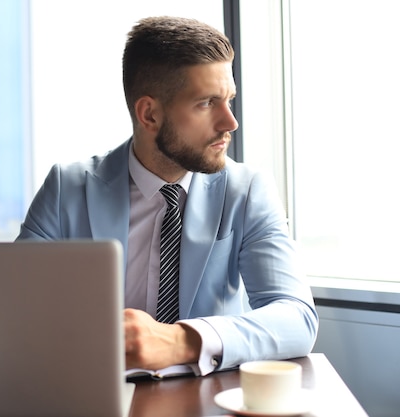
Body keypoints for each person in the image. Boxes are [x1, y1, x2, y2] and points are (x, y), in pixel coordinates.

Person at [16, 16, 318, 376]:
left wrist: (180, 340)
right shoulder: (67, 188)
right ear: (149, 114)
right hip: (95, 394)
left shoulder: (247, 191)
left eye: (229, 100)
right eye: (207, 103)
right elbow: (15, 309)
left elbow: (296, 317)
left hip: (206, 401)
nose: (229, 122)